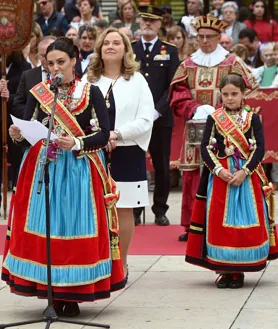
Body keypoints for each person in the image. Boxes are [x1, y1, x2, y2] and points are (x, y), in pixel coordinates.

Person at [2, 37, 125, 317]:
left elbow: (104, 133)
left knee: (73, 224)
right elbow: (31, 129)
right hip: (43, 167)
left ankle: (73, 293)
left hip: (79, 169)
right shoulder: (40, 92)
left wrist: (78, 143)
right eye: (50, 63)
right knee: (45, 226)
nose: (55, 68)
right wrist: (18, 134)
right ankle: (48, 289)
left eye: (61, 62)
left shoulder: (91, 92)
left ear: (74, 61)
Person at [170, 15, 258, 242]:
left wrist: (220, 109)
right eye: (200, 37)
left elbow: (248, 88)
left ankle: (217, 220)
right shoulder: (188, 63)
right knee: (192, 176)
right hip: (195, 126)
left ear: (219, 38)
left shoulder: (232, 62)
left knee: (220, 171)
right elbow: (178, 93)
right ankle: (192, 225)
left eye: (209, 37)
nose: (204, 41)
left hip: (226, 128)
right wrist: (193, 107)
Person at [185, 74, 278, 288]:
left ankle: (239, 271)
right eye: (225, 94)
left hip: (246, 178)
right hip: (221, 179)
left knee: (244, 220)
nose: (230, 98)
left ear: (243, 94)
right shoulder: (215, 118)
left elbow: (260, 149)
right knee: (219, 221)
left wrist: (245, 171)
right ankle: (224, 269)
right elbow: (205, 148)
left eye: (234, 94)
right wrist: (218, 170)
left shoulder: (252, 118)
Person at [87, 27, 154, 281]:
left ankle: (121, 265)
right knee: (96, 208)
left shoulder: (137, 80)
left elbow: (146, 120)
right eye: (106, 43)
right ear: (99, 50)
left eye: (117, 42)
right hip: (95, 153)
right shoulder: (89, 80)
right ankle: (99, 261)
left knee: (123, 209)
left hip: (127, 152)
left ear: (126, 49)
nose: (111, 46)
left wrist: (117, 134)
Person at [132, 5, 180, 226]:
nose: (147, 24)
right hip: (134, 118)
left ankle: (160, 209)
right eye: (144, 20)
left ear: (160, 24)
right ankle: (135, 209)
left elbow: (172, 85)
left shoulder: (169, 50)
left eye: (152, 21)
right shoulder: (131, 49)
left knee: (161, 165)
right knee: (135, 164)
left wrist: (156, 110)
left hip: (160, 118)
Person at [13, 36, 56, 119]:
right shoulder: (28, 75)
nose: (46, 59)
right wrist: (33, 116)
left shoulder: (65, 75)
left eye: (48, 54)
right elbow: (17, 105)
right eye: (43, 55)